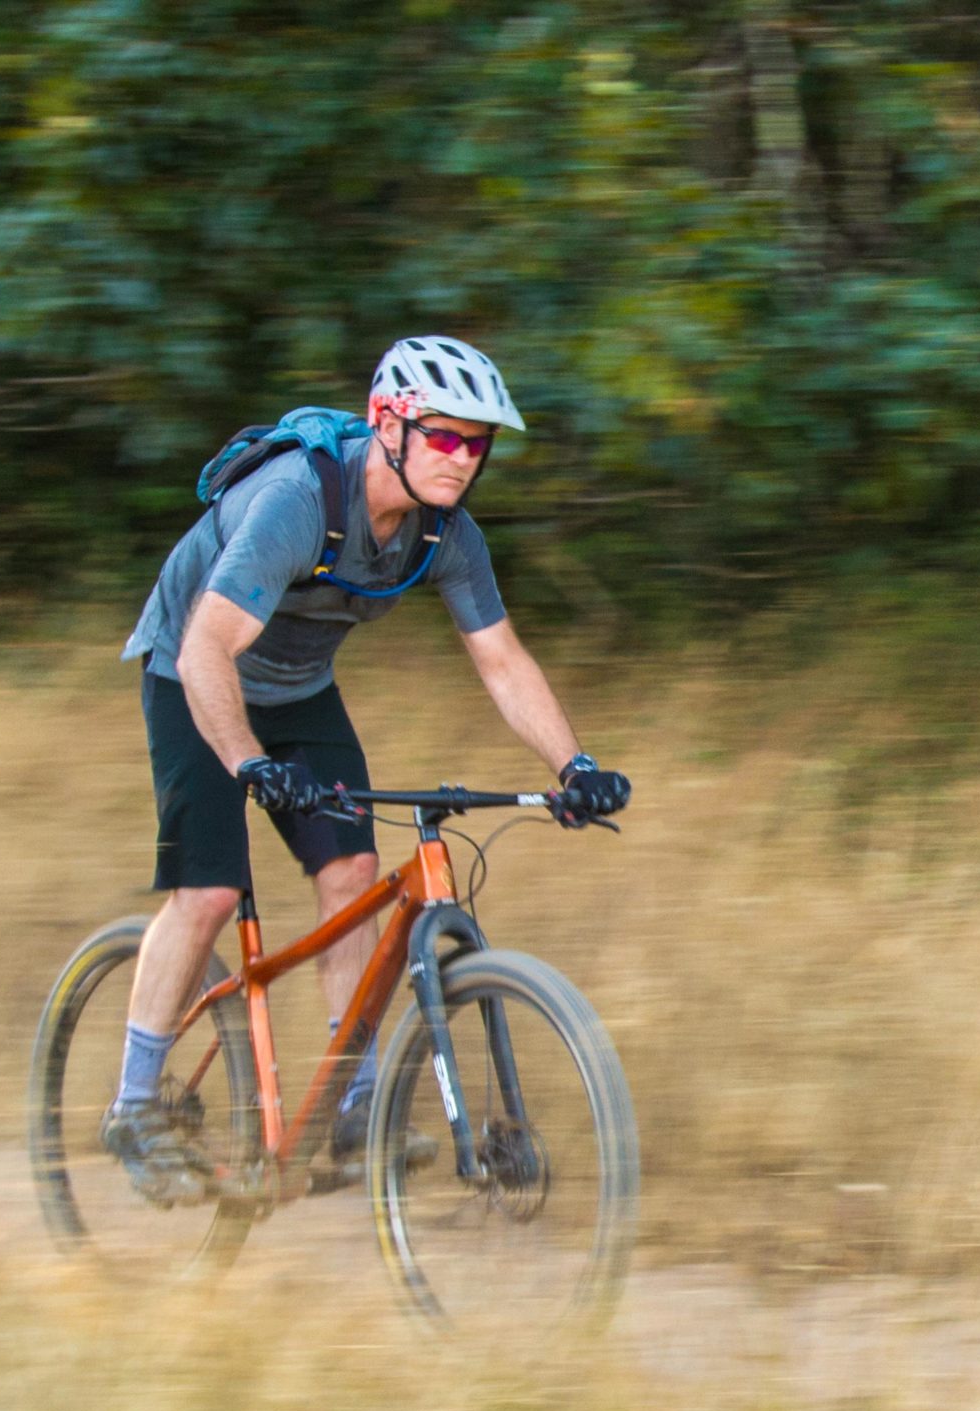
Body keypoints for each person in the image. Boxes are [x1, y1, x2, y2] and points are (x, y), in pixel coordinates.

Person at [104, 335, 629, 1206]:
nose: (463, 459)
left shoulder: (448, 534)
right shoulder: (296, 502)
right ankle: (133, 1107)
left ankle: (353, 1106)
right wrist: (246, 763)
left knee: (350, 870)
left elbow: (501, 660)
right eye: (445, 436)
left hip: (299, 688)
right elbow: (206, 649)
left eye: (478, 443)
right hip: (193, 669)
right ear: (388, 422)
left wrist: (573, 764)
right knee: (207, 892)